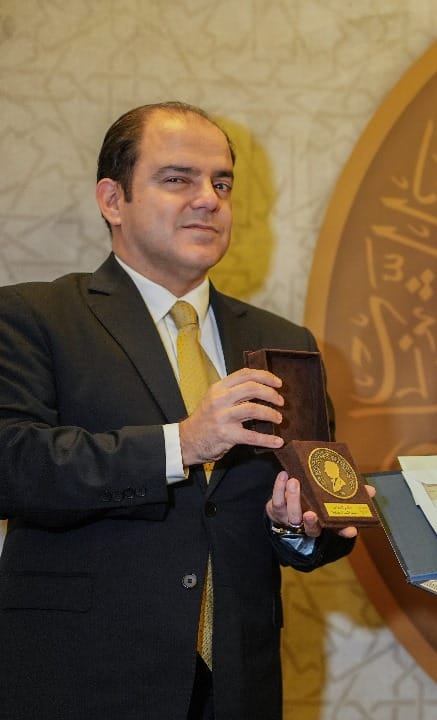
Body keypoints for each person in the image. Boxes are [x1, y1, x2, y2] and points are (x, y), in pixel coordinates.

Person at [0, 102, 359, 720]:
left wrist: (296, 527)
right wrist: (182, 443)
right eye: (177, 179)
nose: (207, 200)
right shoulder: (34, 317)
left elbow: (312, 515)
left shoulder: (284, 341)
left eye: (222, 184)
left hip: (237, 686)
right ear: (112, 200)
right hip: (80, 679)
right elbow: (13, 466)